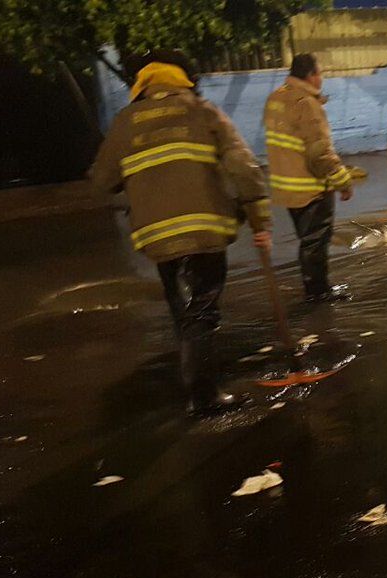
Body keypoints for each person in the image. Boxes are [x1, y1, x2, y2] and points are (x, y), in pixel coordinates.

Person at [90, 51, 273, 415]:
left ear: (142, 87)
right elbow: (243, 167)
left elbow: (102, 181)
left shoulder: (125, 123)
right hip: (205, 229)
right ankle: (203, 396)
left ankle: (193, 377)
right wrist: (259, 219)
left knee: (182, 305)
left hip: (158, 236)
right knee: (202, 307)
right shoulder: (204, 112)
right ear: (183, 80)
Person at [263, 53, 354, 303]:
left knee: (308, 240)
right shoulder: (306, 103)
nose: (321, 79)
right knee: (316, 242)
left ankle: (314, 288)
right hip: (310, 187)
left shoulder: (275, 98)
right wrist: (343, 181)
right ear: (311, 75)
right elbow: (319, 152)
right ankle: (318, 292)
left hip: (286, 187)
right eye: (320, 73)